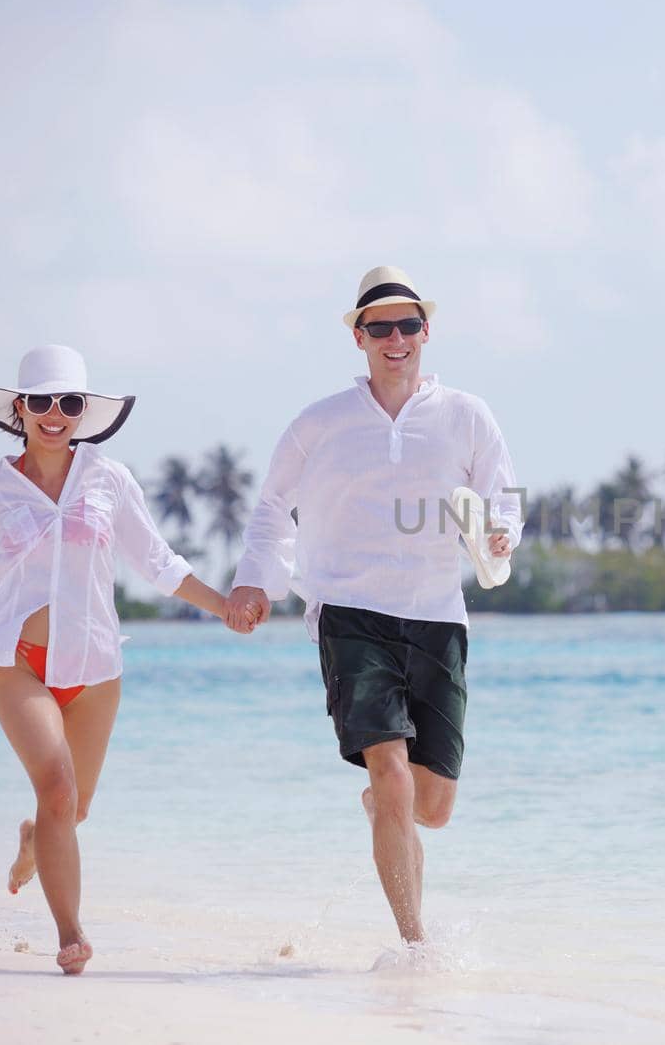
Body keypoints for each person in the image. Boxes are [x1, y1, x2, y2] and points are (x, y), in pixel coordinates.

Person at [226, 265, 520, 948]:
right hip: (350, 612)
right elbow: (272, 505)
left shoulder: (467, 415)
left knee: (434, 806)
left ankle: (384, 809)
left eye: (408, 324)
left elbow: (503, 498)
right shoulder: (320, 422)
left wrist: (501, 533)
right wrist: (254, 581)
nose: (396, 338)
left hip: (438, 614)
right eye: (379, 326)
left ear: (426, 331)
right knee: (391, 775)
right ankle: (417, 947)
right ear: (358, 337)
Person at [0, 345, 233, 975]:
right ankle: (70, 934)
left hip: (95, 669)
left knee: (73, 809)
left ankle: (34, 841)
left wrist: (225, 607)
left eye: (68, 403)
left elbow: (159, 564)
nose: (55, 414)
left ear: (83, 411)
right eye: (41, 402)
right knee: (59, 790)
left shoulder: (109, 480)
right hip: (20, 663)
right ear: (20, 408)